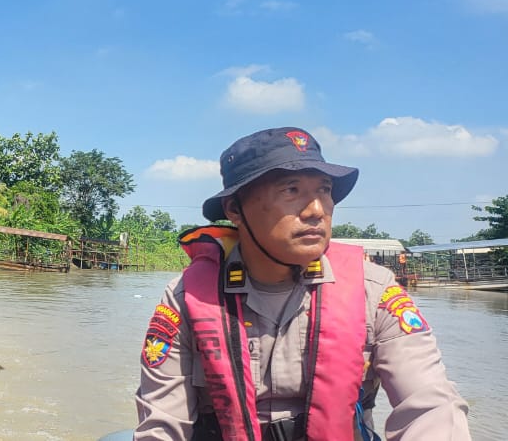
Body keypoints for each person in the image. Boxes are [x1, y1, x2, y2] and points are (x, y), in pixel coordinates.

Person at [134, 127, 470, 440]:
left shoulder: (374, 290)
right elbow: (162, 424)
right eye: (291, 190)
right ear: (235, 209)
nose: (316, 210)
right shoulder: (187, 297)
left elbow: (431, 406)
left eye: (323, 190)